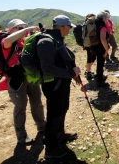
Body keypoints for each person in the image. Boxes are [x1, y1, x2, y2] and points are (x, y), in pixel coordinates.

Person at [37, 15, 81, 159]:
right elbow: (47, 68)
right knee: (54, 115)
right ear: (62, 27)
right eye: (69, 27)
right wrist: (69, 73)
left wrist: (72, 73)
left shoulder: (57, 39)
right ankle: (50, 149)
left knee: (63, 108)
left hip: (62, 83)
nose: (69, 30)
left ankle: (60, 134)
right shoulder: (46, 42)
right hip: (53, 85)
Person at [2, 19, 46, 145]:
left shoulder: (24, 41)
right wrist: (26, 29)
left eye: (24, 26)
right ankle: (22, 137)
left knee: (37, 102)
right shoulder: (6, 42)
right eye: (19, 27)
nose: (22, 29)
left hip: (29, 76)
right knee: (20, 106)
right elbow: (8, 41)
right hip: (16, 80)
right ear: (11, 30)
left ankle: (42, 125)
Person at [90, 11, 109, 87]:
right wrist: (107, 50)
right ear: (103, 18)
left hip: (93, 46)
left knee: (98, 63)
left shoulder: (95, 24)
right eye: (107, 18)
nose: (108, 19)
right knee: (100, 64)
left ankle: (98, 76)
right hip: (100, 48)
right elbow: (103, 39)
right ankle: (100, 81)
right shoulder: (102, 26)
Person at [83, 13, 97, 80]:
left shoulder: (89, 23)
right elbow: (92, 29)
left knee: (93, 57)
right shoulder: (87, 23)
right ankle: (88, 71)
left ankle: (87, 70)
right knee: (90, 57)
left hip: (91, 42)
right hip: (89, 43)